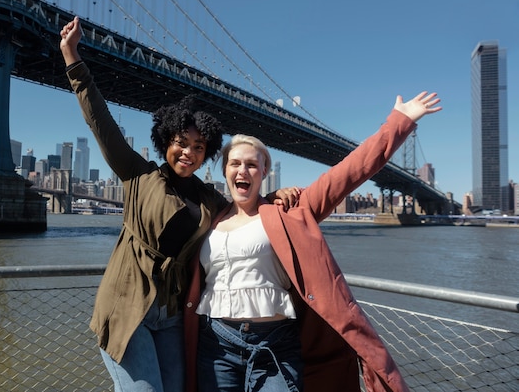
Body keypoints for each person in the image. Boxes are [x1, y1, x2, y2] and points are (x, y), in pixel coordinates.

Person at [59, 16, 299, 392]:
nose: (188, 152)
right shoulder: (137, 175)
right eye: (180, 142)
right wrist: (73, 58)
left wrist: (276, 199)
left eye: (199, 147)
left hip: (170, 314)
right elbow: (100, 122)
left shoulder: (209, 198)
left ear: (207, 154)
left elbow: (245, 207)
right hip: (128, 306)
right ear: (165, 142)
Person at [184, 91, 442, 392]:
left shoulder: (290, 211)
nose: (243, 171)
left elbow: (349, 173)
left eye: (252, 165)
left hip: (275, 345)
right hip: (216, 346)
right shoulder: (210, 216)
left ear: (265, 172)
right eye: (235, 164)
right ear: (225, 170)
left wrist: (400, 121)